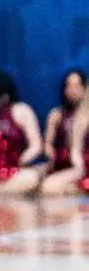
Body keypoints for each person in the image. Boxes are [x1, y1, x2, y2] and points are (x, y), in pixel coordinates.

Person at [40, 69, 88, 197]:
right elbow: (47, 145)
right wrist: (52, 156)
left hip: (82, 163)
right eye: (69, 85)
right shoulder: (56, 114)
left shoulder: (84, 116)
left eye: (77, 86)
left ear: (85, 89)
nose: (73, 90)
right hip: (64, 161)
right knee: (42, 183)